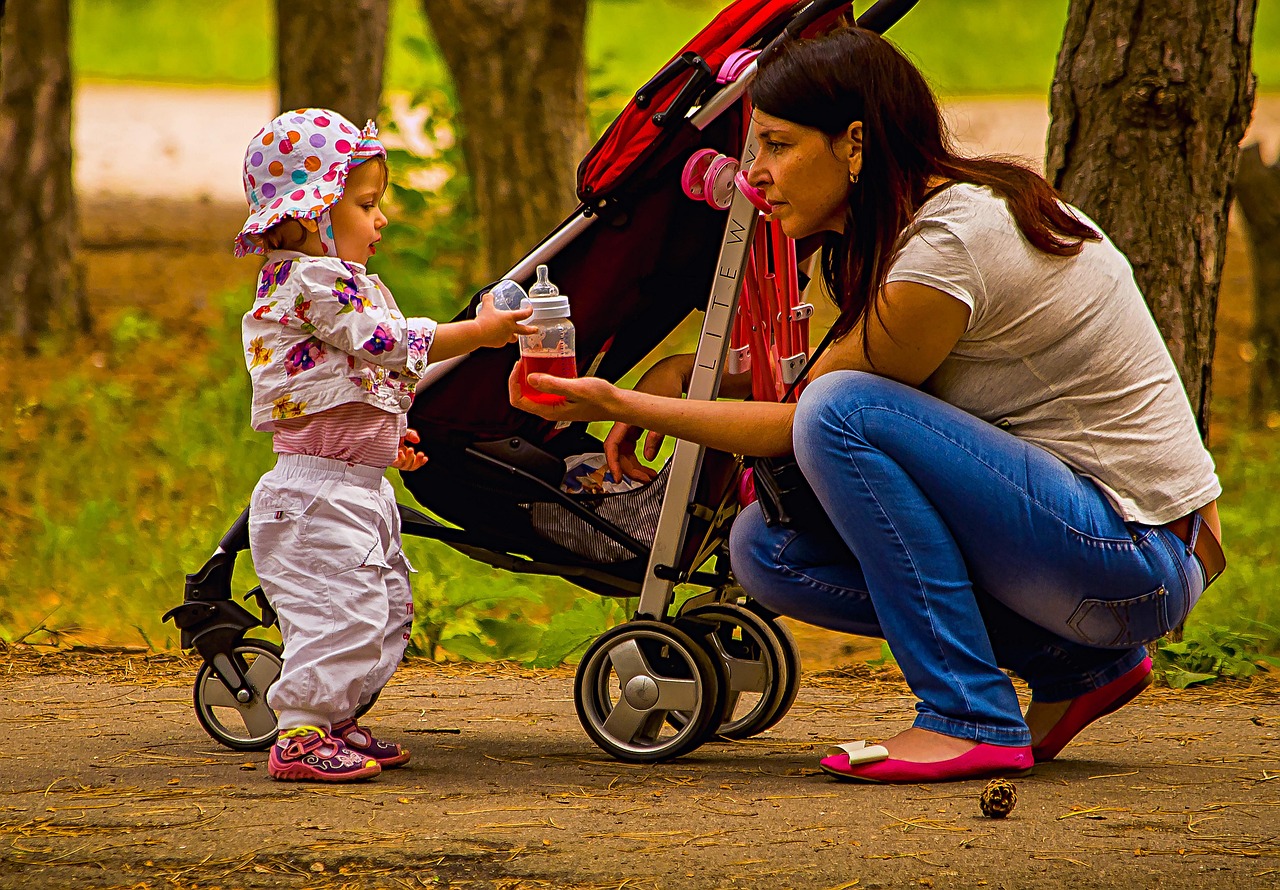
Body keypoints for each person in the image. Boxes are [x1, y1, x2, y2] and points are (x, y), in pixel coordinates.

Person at [508, 28, 1225, 784]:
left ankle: (968, 714)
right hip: (1094, 553)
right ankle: (1079, 668)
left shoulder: (952, 246)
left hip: (1137, 555)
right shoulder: (906, 231)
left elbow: (813, 414)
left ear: (854, 143)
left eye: (778, 146)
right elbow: (823, 380)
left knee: (840, 414)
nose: (755, 174)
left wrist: (619, 399)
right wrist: (683, 376)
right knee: (764, 551)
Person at [237, 108, 533, 782]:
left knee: (379, 606)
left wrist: (387, 439)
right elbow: (386, 343)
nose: (382, 220)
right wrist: (476, 334)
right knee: (338, 610)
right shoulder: (311, 281)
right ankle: (299, 733)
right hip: (314, 493)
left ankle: (335, 719)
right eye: (367, 204)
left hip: (353, 485)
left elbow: (353, 379)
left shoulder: (335, 284)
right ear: (309, 215)